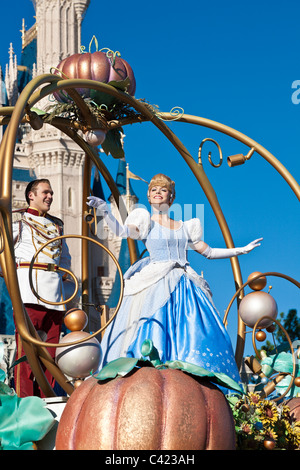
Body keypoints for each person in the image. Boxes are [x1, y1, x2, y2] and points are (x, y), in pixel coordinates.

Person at [87, 173, 262, 390]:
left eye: (163, 190)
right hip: (155, 282)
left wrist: (240, 250)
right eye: (153, 190)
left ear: (171, 197)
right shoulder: (144, 220)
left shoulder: (185, 226)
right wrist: (104, 210)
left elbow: (207, 251)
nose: (158, 193)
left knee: (196, 331)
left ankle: (195, 385)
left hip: (185, 283)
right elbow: (121, 231)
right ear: (149, 197)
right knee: (152, 326)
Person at [12, 179, 71, 397]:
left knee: (51, 354)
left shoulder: (57, 225)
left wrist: (63, 274)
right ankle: (26, 401)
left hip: (54, 295)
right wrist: (11, 276)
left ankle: (48, 401)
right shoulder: (18, 222)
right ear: (31, 195)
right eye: (45, 192)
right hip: (28, 292)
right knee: (27, 354)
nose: (50, 197)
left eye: (52, 193)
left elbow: (65, 258)